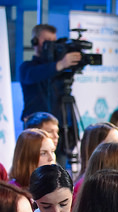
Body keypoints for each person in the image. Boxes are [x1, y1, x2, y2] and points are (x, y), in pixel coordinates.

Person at [19, 24, 81, 165]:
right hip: (36, 129)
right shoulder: (27, 67)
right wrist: (60, 64)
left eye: (54, 41)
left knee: (59, 169)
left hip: (60, 129)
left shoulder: (60, 71)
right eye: (47, 40)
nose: (52, 45)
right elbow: (33, 75)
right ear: (35, 41)